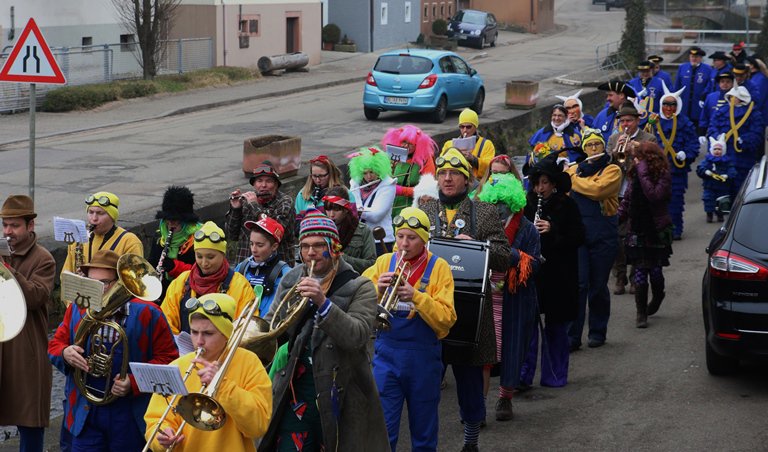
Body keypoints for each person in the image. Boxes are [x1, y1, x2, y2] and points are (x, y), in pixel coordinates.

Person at [259, 209, 389, 451]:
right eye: (305, 246)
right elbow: (271, 328)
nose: (310, 253)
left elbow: (358, 335)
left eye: (319, 245)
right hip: (295, 389)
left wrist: (323, 303)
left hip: (341, 391)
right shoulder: (291, 279)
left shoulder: (360, 286)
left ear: (335, 248)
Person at [418, 149, 511, 452]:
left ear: (467, 179)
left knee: (470, 386)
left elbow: (504, 257)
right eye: (442, 173)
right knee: (426, 387)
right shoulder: (425, 212)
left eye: (454, 173)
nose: (447, 178)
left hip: (471, 313)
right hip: (430, 312)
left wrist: (480, 246)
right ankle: (425, 444)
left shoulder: (483, 212)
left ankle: (471, 442)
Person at [49, 250, 178, 451]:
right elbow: (54, 345)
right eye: (92, 283)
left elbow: (169, 360)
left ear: (121, 282)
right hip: (86, 412)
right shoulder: (77, 307)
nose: (97, 291)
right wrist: (65, 353)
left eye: (104, 283)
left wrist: (133, 382)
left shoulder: (149, 312)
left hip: (129, 415)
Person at [363, 207, 457, 451]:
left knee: (424, 432)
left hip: (423, 359)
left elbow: (447, 318)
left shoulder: (440, 267)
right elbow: (357, 299)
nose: (404, 243)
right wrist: (377, 290)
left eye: (412, 237)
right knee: (383, 431)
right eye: (401, 236)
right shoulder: (384, 261)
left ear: (424, 239)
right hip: (386, 356)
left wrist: (417, 296)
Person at [144, 293, 272, 451]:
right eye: (194, 332)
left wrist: (222, 385)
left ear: (226, 334)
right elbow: (155, 421)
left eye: (208, 333)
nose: (199, 341)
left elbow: (258, 426)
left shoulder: (249, 362)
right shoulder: (177, 366)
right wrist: (161, 438)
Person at [474, 170, 540, 422]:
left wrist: (510, 255)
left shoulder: (528, 230)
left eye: (502, 203)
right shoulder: (482, 225)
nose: (498, 209)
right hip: (486, 297)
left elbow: (535, 266)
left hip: (515, 298)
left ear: (512, 202)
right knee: (483, 355)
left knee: (512, 349)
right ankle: (477, 406)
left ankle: (505, 397)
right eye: (493, 203)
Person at [0, 195, 56, 452]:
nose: (8, 231)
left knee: (29, 421)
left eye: (14, 226)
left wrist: (8, 269)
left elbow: (35, 297)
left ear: (30, 226)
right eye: (5, 225)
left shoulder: (43, 258)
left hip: (25, 351)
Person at [565, 129, 622, 351]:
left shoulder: (613, 169)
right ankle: (573, 335)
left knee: (598, 285)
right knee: (578, 284)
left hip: (603, 234)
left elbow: (598, 191)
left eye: (598, 144)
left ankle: (598, 331)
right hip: (579, 233)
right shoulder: (575, 169)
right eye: (590, 145)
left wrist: (571, 178)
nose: (594, 149)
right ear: (584, 148)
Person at [162, 221, 254, 334]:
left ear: (223, 254)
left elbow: (246, 330)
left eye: (210, 257)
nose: (204, 263)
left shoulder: (240, 285)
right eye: (199, 256)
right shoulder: (181, 282)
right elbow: (166, 323)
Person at [617, 142, 673, 327]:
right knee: (640, 271)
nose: (635, 161)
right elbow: (627, 200)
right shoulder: (635, 176)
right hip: (638, 229)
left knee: (655, 271)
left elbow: (654, 195)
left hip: (656, 230)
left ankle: (658, 296)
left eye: (638, 158)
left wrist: (642, 172)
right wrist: (616, 218)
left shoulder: (662, 174)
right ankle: (641, 313)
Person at [607, 103, 657, 296]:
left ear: (637, 121)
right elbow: (608, 165)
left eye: (629, 121)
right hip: (618, 194)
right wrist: (616, 152)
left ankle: (636, 276)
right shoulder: (613, 138)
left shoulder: (648, 138)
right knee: (616, 239)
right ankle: (619, 275)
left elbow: (654, 163)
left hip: (638, 194)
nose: (625, 125)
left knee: (637, 237)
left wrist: (635, 150)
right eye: (622, 121)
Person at [651, 82, 700, 240]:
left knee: (675, 200)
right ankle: (659, 228)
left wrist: (686, 154)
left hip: (676, 170)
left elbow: (693, 143)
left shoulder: (684, 122)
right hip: (656, 169)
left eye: (673, 104)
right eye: (666, 104)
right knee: (657, 201)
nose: (669, 107)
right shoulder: (654, 122)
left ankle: (676, 229)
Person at [227, 163, 296, 266]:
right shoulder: (247, 202)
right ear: (254, 185)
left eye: (268, 181)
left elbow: (273, 232)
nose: (263, 185)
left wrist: (254, 205)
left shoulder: (285, 202)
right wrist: (235, 209)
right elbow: (232, 235)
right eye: (259, 181)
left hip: (276, 268)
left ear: (276, 185)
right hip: (246, 266)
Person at [62, 191, 143, 277]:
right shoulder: (78, 239)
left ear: (112, 216)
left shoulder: (129, 241)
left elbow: (135, 278)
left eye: (100, 213)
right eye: (91, 212)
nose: (94, 218)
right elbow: (65, 274)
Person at [707, 85, 764, 197]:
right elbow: (713, 125)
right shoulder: (722, 111)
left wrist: (743, 140)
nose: (732, 99)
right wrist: (718, 138)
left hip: (742, 158)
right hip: (723, 157)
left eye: (735, 97)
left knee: (740, 186)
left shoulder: (753, 113)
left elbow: (757, 132)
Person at [148, 186, 202, 300]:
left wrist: (174, 267)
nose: (171, 222)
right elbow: (151, 265)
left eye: (176, 219)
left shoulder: (198, 238)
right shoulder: (159, 237)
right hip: (163, 294)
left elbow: (202, 271)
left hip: (189, 293)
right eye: (168, 218)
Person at [233, 216, 291, 318]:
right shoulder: (241, 268)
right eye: (251, 244)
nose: (254, 250)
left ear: (274, 246)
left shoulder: (286, 274)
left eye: (260, 245)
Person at [348, 146, 397, 255]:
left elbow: (376, 215)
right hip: (360, 238)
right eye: (365, 173)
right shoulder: (356, 183)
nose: (369, 176)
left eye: (372, 172)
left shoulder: (388, 185)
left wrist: (356, 210)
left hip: (381, 240)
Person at [381, 124, 437, 217]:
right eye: (403, 142)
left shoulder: (426, 159)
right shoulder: (394, 155)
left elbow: (427, 191)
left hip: (413, 208)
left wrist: (401, 190)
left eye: (410, 143)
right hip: (390, 205)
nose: (406, 146)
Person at [322, 186, 377, 274]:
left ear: (346, 210)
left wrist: (342, 258)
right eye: (328, 209)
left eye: (336, 210)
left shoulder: (363, 230)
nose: (331, 214)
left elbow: (372, 264)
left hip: (354, 280)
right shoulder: (321, 230)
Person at [441, 108, 496, 179]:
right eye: (462, 127)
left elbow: (491, 167)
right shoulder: (449, 144)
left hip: (477, 183)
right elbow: (441, 165)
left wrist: (474, 159)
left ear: (475, 127)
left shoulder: (486, 144)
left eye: (468, 127)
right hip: (455, 181)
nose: (465, 130)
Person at [294, 155, 351, 220]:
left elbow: (352, 219)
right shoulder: (303, 194)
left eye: (322, 176)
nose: (318, 180)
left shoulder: (345, 193)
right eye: (314, 176)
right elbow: (297, 219)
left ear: (331, 174)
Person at [696, 134, 735, 223]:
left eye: (719, 149)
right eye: (715, 149)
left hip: (722, 186)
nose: (717, 151)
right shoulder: (708, 160)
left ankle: (720, 214)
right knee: (708, 199)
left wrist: (727, 175)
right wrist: (706, 172)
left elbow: (732, 170)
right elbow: (700, 168)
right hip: (709, 185)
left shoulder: (727, 161)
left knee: (721, 200)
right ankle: (709, 214)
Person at [674, 46, 713, 129]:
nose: (694, 59)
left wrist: (704, 97)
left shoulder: (708, 69)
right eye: (692, 56)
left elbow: (709, 86)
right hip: (684, 106)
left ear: (700, 58)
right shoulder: (682, 67)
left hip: (698, 107)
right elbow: (677, 85)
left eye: (696, 57)